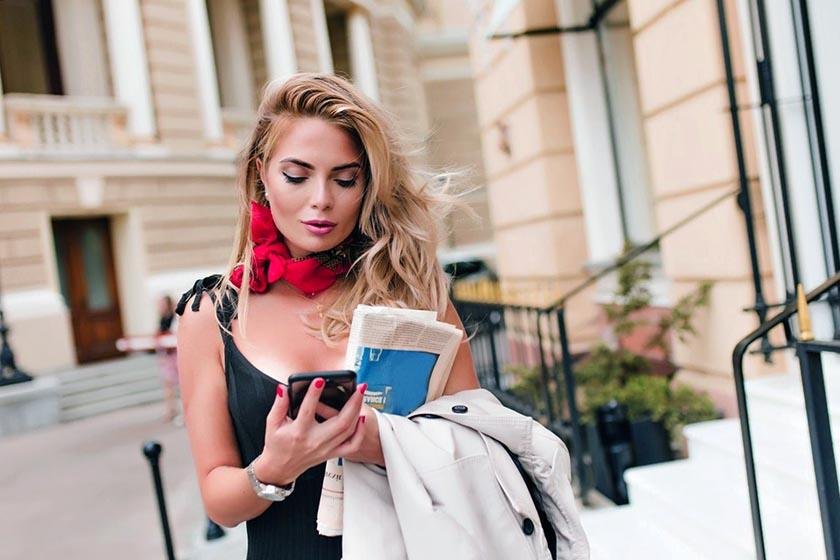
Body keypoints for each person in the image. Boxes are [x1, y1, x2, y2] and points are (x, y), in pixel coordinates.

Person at [175, 73, 480, 559]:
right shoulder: (210, 316)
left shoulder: (416, 295)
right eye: (297, 176)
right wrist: (276, 466)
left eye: (345, 179)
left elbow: (477, 442)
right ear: (261, 176)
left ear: (368, 184)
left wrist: (377, 444)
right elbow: (220, 501)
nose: (321, 199)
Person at [156, 294, 181, 424]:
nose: (159, 306)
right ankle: (171, 410)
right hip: (167, 355)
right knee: (168, 384)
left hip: (176, 355)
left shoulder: (174, 317)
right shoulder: (162, 319)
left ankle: (183, 410)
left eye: (162, 303)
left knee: (181, 384)